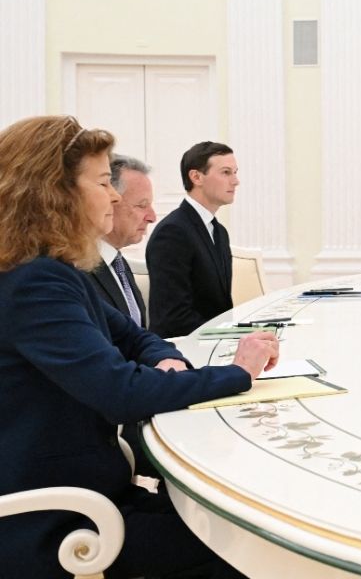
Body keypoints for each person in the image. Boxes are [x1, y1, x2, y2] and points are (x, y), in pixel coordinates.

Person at [0, 115, 278, 578]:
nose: (114, 195)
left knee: (232, 519)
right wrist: (238, 373)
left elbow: (132, 336)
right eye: (102, 182)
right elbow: (120, 392)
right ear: (54, 193)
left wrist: (164, 357)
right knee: (246, 545)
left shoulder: (53, 270)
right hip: (57, 521)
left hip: (89, 492)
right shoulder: (35, 281)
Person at [146, 141, 238, 338]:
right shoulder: (172, 233)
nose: (235, 181)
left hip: (213, 342)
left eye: (235, 172)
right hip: (184, 347)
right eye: (226, 172)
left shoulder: (219, 232)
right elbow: (173, 318)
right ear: (196, 177)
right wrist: (232, 335)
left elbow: (220, 308)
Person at [89, 154, 156, 329]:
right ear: (110, 202)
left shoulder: (118, 263)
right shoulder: (80, 268)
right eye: (142, 205)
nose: (152, 217)